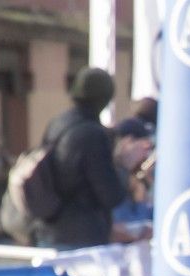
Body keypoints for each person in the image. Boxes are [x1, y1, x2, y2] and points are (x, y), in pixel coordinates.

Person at [33, 68, 125, 250]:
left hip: (49, 227)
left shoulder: (57, 124)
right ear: (105, 98)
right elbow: (110, 194)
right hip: (82, 237)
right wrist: (122, 166)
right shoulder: (93, 134)